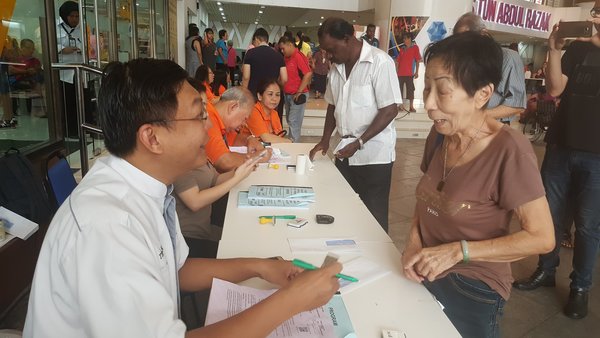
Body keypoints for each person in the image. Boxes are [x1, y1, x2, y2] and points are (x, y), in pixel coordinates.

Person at [23, 58, 342, 337]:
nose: (208, 129)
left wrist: (260, 266)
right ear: (152, 137)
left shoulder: (146, 185)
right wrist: (291, 301)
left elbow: (174, 269)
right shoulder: (107, 225)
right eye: (199, 116)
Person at [401, 32, 554, 338]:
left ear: (483, 94)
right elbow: (427, 197)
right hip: (427, 269)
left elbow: (542, 238)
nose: (429, 104)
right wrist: (414, 243)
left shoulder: (510, 150)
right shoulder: (440, 134)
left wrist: (458, 252)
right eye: (427, 88)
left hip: (473, 286)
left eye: (442, 91)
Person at [513, 4, 600, 320]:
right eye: (595, 10)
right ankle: (546, 269)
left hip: (597, 155)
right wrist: (554, 51)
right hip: (561, 144)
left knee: (589, 226)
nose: (595, 16)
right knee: (549, 214)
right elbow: (554, 88)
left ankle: (581, 287)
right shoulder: (578, 48)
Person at [309, 17, 401, 232]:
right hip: (345, 150)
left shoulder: (380, 62)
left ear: (348, 39)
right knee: (344, 206)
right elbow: (333, 105)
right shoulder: (336, 69)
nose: (328, 56)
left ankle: (376, 261)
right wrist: (325, 140)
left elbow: (390, 109)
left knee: (374, 213)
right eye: (325, 51)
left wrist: (360, 142)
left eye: (331, 49)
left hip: (374, 155)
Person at [174, 80, 256, 259]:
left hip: (205, 231)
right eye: (201, 115)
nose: (209, 123)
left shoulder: (195, 149)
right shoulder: (177, 157)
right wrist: (236, 178)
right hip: (189, 243)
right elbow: (194, 201)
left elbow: (214, 181)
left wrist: (241, 170)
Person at [453, 13, 526, 125]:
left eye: (468, 40)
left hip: (493, 128)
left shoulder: (508, 58)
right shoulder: (464, 61)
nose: (464, 46)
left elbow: (517, 105)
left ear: (484, 34)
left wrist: (477, 116)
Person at [205, 86, 271, 173]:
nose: (244, 124)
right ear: (233, 107)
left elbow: (233, 139)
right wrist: (257, 157)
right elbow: (224, 162)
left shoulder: (220, 119)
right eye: (244, 118)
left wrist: (249, 139)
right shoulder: (208, 117)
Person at [57, 0, 95, 138]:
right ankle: (70, 131)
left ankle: (88, 129)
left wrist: (83, 50)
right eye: (71, 16)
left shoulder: (83, 28)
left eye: (77, 16)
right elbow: (44, 45)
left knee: (84, 100)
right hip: (63, 73)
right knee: (68, 102)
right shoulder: (55, 28)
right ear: (65, 15)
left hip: (80, 71)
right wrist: (62, 49)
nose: (74, 19)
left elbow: (90, 47)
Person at [278, 35, 312, 143]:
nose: (282, 51)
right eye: (281, 49)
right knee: (290, 120)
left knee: (293, 121)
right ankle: (293, 143)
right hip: (287, 94)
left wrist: (299, 91)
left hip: (298, 95)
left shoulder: (298, 56)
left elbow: (308, 74)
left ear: (290, 45)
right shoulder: (286, 58)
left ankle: (294, 145)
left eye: (283, 48)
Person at [241, 79, 291, 144]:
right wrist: (290, 141)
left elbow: (279, 137)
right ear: (259, 96)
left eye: (277, 95)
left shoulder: (274, 113)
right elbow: (266, 138)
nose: (274, 99)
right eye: (270, 94)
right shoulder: (253, 111)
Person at [242, 28, 287, 97]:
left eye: (253, 42)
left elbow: (246, 77)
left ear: (256, 39)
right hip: (271, 95)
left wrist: (244, 93)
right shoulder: (279, 55)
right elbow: (284, 79)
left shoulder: (250, 53)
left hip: (253, 94)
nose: (253, 44)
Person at [395, 32, 421, 113]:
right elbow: (398, 61)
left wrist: (417, 72)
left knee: (410, 90)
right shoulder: (402, 49)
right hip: (400, 74)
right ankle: (400, 106)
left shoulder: (415, 48)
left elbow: (417, 60)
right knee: (399, 90)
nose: (404, 40)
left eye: (406, 38)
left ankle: (411, 106)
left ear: (410, 39)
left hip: (409, 74)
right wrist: (396, 71)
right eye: (404, 39)